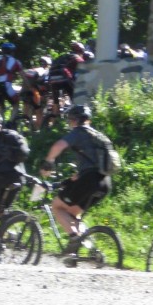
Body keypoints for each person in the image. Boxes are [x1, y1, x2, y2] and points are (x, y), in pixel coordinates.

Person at [39, 105, 112, 254]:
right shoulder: (99, 136)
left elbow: (59, 145)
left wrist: (48, 163)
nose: (69, 123)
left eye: (69, 120)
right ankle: (92, 250)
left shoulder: (79, 132)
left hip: (89, 180)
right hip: (105, 182)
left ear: (74, 120)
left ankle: (74, 239)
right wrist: (68, 181)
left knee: (57, 206)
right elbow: (91, 168)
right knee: (73, 214)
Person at [48, 42, 84, 116]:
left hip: (52, 77)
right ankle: (76, 116)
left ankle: (54, 118)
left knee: (56, 101)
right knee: (75, 98)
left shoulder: (63, 56)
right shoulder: (77, 57)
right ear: (81, 51)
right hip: (64, 77)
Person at [0, 42, 22, 120]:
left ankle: (0, 124)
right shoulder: (15, 61)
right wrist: (29, 88)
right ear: (12, 51)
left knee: (2, 107)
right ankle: (10, 123)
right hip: (6, 85)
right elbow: (23, 76)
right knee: (16, 103)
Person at [20, 56, 51, 130]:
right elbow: (44, 84)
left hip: (24, 90)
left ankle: (24, 124)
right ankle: (38, 129)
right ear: (47, 65)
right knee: (39, 110)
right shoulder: (45, 71)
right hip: (34, 92)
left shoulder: (33, 69)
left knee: (26, 105)